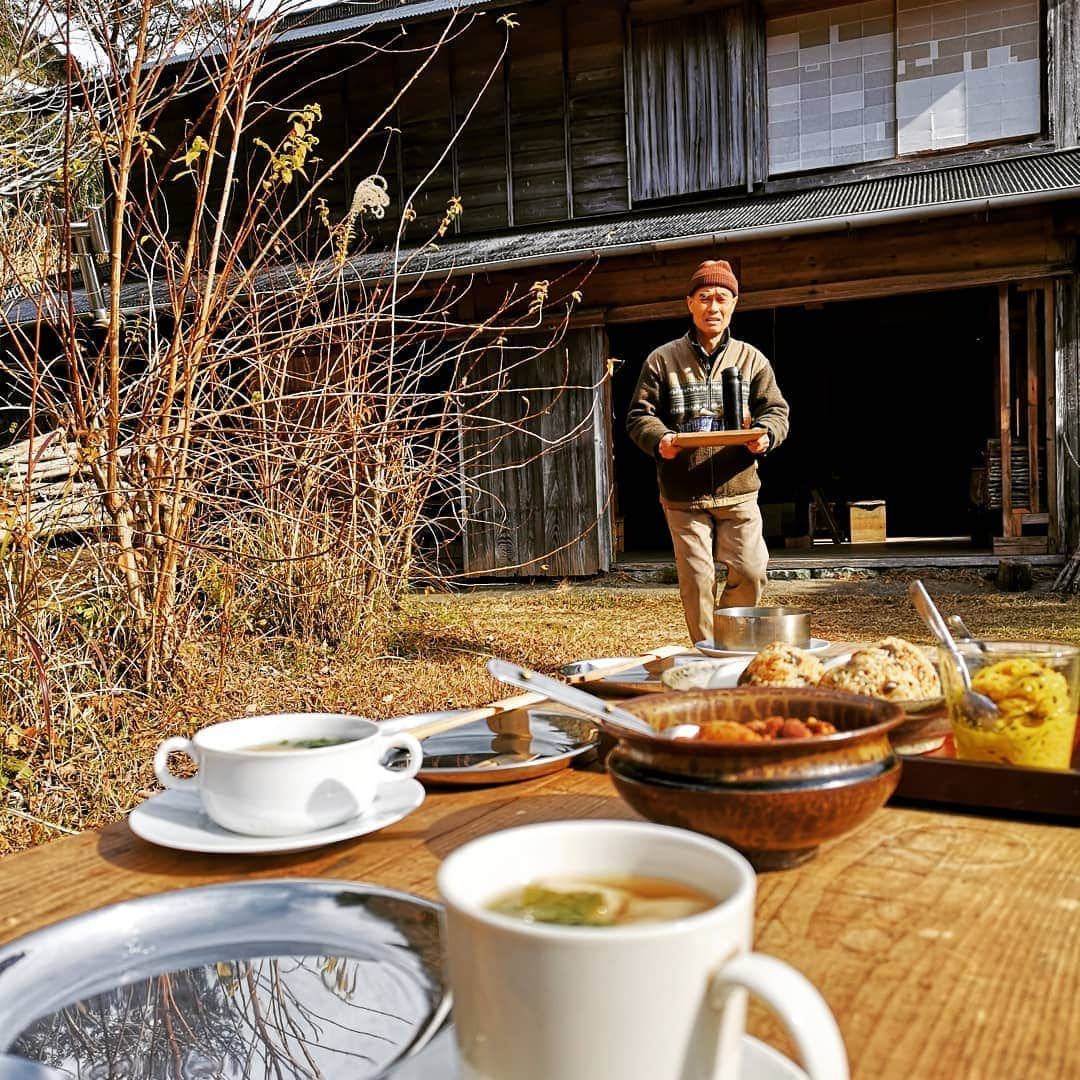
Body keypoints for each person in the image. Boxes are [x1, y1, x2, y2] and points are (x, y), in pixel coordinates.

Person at [626, 259, 790, 645]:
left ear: (733, 303)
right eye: (704, 298)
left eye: (721, 298)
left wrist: (766, 434)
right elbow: (638, 416)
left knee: (751, 571)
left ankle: (728, 641)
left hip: (738, 487)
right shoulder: (662, 360)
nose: (712, 307)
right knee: (698, 582)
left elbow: (776, 411)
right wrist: (660, 439)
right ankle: (706, 655)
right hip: (683, 492)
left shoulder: (752, 360)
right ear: (689, 303)